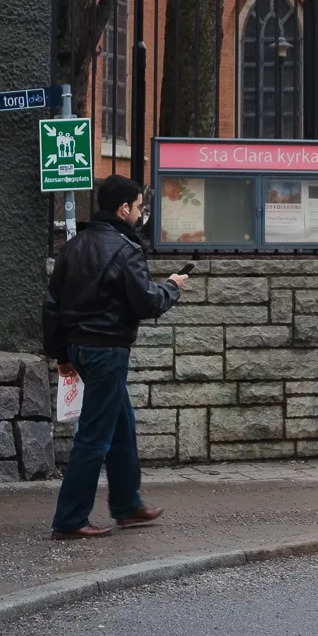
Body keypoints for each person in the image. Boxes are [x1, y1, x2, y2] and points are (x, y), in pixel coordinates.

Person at [42, 175, 187, 539]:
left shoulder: (73, 247)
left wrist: (61, 354)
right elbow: (147, 302)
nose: (140, 213)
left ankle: (127, 505)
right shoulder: (125, 249)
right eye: (138, 206)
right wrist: (172, 287)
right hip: (107, 349)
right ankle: (70, 520)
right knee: (95, 437)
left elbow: (52, 306)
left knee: (122, 425)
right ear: (124, 208)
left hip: (79, 348)